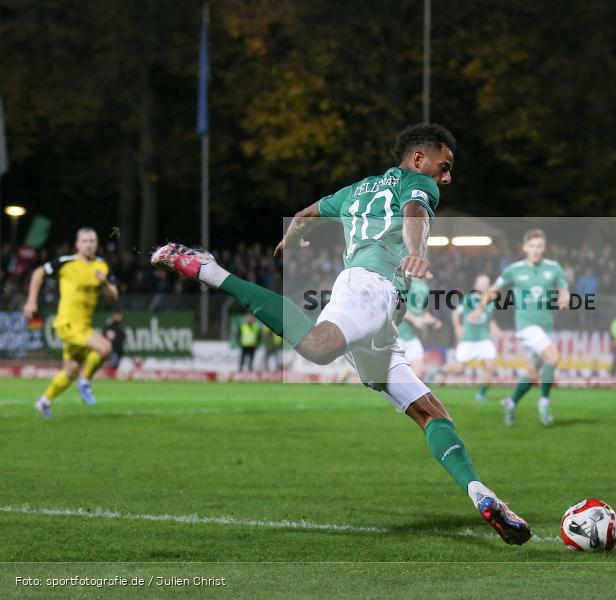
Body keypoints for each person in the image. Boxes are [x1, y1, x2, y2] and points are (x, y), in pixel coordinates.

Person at [150, 123, 531, 545]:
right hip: (371, 288)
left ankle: (484, 496)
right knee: (317, 346)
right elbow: (414, 214)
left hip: (381, 319)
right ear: (420, 159)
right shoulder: (419, 183)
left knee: (432, 413)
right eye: (445, 166)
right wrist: (417, 252)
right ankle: (209, 269)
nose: (447, 177)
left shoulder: (357, 190)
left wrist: (292, 236)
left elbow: (305, 214)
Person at [475, 229, 570, 427]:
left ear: (544, 248)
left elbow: (564, 289)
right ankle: (544, 402)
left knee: (532, 371)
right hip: (526, 326)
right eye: (532, 246)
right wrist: (479, 309)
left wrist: (564, 297)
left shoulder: (553, 268)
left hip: (546, 326)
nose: (536, 250)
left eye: (539, 246)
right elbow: (493, 290)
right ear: (525, 247)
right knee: (553, 357)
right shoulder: (514, 270)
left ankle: (511, 403)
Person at [23, 227, 119, 418]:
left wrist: (106, 283)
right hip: (67, 324)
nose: (89, 245)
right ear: (77, 244)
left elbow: (113, 297)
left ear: (97, 244)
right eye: (85, 241)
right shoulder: (66, 263)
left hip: (83, 327)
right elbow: (37, 273)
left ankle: (44, 402)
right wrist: (31, 300)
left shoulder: (102, 266)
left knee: (70, 371)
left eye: (92, 241)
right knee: (105, 348)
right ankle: (85, 382)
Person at [426, 273, 501, 401]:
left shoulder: (490, 301)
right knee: (458, 368)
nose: (483, 285)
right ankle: (437, 370)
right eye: (481, 283)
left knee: (490, 366)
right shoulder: (468, 299)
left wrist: (498, 331)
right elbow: (455, 313)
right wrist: (457, 328)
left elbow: (490, 320)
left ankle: (481, 395)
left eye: (486, 283)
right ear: (476, 285)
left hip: (484, 339)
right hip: (468, 339)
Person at [397, 277, 442, 380]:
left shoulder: (424, 287)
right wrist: (414, 320)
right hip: (396, 336)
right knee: (395, 374)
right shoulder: (405, 283)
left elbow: (422, 313)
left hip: (411, 336)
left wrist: (433, 321)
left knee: (419, 370)